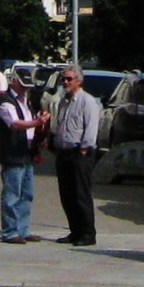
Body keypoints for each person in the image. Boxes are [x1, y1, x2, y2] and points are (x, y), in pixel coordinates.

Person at [49, 64, 103, 247]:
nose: (65, 82)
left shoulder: (88, 102)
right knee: (67, 195)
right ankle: (75, 231)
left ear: (78, 81)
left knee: (81, 194)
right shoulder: (63, 101)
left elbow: (91, 129)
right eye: (63, 79)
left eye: (69, 79)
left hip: (80, 153)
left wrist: (84, 150)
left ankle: (88, 233)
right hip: (63, 153)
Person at [0, 66, 41, 243]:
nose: (26, 89)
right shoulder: (5, 102)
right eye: (23, 85)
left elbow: (28, 122)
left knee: (27, 193)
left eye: (28, 86)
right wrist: (37, 122)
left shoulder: (26, 101)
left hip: (27, 152)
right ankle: (10, 231)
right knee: (12, 194)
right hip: (12, 153)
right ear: (13, 82)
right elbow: (15, 124)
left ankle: (23, 229)